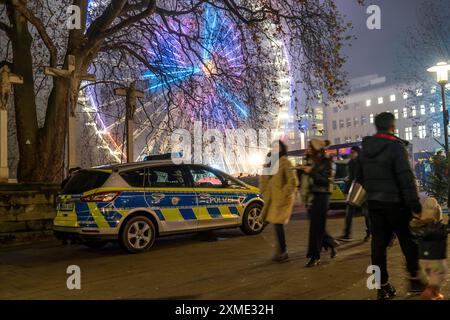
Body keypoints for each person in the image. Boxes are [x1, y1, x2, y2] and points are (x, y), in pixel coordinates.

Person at [356, 112, 424, 300]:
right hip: (395, 203)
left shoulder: (365, 149)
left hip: (374, 203)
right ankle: (415, 280)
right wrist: (415, 204)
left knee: (378, 245)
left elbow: (359, 176)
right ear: (392, 127)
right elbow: (405, 178)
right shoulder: (396, 147)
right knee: (407, 241)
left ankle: (382, 287)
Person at [260, 140, 298, 262]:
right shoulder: (269, 162)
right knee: (276, 225)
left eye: (278, 147)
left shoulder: (285, 162)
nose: (275, 149)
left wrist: (283, 194)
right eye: (274, 146)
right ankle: (281, 250)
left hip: (281, 200)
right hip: (271, 199)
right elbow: (263, 179)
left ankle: (283, 251)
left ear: (282, 149)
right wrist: (264, 192)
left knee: (278, 224)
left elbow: (293, 182)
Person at [303, 139, 338, 267]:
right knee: (317, 227)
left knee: (316, 228)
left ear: (316, 149)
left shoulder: (328, 161)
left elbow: (326, 181)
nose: (308, 149)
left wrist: (311, 171)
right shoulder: (314, 160)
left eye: (310, 147)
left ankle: (314, 256)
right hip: (314, 196)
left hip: (323, 197)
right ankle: (331, 244)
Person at [409, 197, 448, 300]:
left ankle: (435, 295)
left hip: (423, 259)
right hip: (436, 259)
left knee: (431, 280)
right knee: (436, 281)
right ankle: (429, 293)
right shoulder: (440, 228)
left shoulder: (416, 226)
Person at [338, 146, 370, 241]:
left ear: (358, 153)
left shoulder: (363, 162)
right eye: (350, 152)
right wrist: (347, 188)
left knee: (366, 213)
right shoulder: (351, 163)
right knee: (349, 211)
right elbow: (351, 177)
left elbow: (366, 176)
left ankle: (369, 233)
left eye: (353, 152)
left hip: (364, 190)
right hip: (355, 189)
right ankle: (347, 234)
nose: (351, 154)